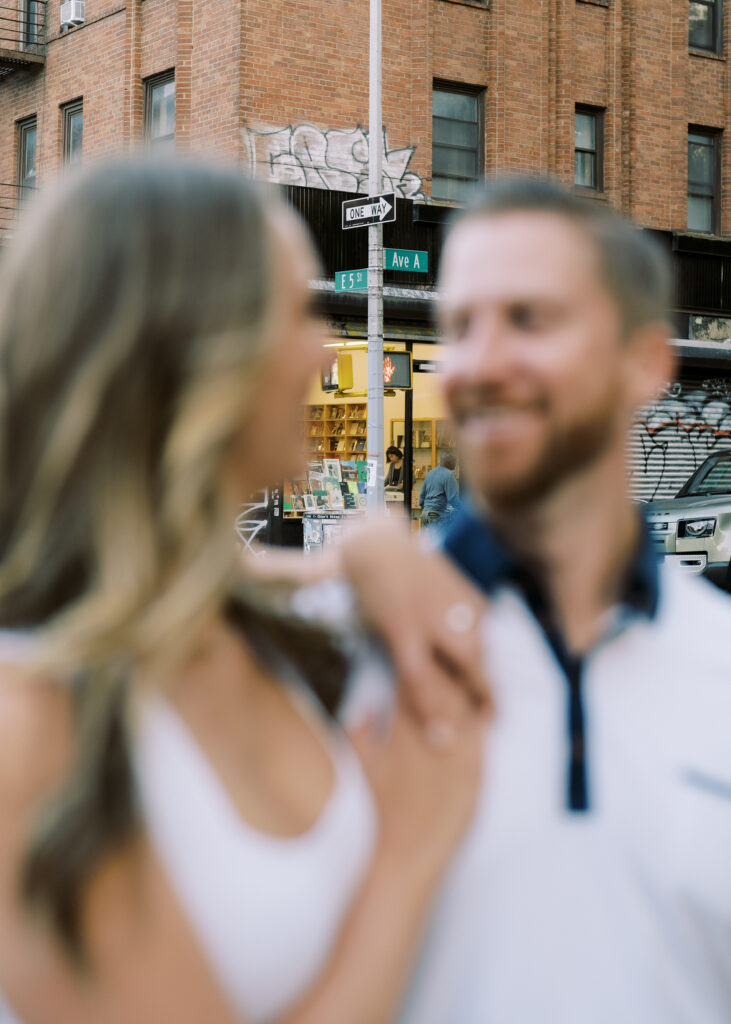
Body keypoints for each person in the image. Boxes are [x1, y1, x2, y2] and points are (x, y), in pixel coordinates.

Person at [0, 158, 490, 1024]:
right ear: (186, 352)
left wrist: (375, 544)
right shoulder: (32, 719)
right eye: (293, 311)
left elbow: (215, 575)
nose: (320, 347)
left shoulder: (238, 618)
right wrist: (409, 856)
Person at [347, 177, 731, 1024]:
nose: (478, 364)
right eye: (460, 326)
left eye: (528, 319)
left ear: (645, 361)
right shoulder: (346, 651)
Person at [418, 452, 458, 527]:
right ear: (449, 462)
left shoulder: (430, 473)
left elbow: (421, 497)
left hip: (425, 515)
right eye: (455, 461)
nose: (456, 464)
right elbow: (453, 499)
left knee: (430, 538)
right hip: (437, 515)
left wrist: (427, 508)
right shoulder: (449, 474)